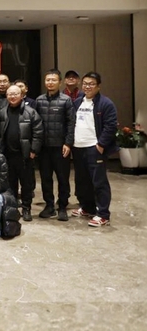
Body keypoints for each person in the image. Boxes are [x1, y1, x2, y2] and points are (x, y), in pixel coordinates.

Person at [71, 72, 117, 227]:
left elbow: (111, 126)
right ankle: (88, 207)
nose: (87, 87)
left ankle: (103, 214)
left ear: (98, 86)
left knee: (99, 182)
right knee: (83, 181)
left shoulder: (106, 103)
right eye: (85, 83)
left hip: (94, 148)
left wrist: (101, 144)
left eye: (91, 84)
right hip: (78, 147)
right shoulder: (78, 102)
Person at [34, 69, 75, 221]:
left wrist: (68, 143)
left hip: (61, 147)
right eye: (48, 80)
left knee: (63, 178)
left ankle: (62, 206)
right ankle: (49, 205)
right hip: (44, 148)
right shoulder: (39, 100)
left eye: (53, 80)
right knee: (45, 178)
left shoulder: (66, 100)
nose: (50, 83)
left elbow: (71, 123)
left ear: (60, 82)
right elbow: (35, 124)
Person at [0, 85, 43, 222]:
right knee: (10, 184)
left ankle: (26, 208)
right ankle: (12, 209)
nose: (12, 97)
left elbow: (38, 132)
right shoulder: (2, 112)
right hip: (7, 155)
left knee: (26, 184)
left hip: (24, 155)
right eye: (10, 94)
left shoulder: (31, 112)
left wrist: (33, 150)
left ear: (22, 95)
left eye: (15, 94)